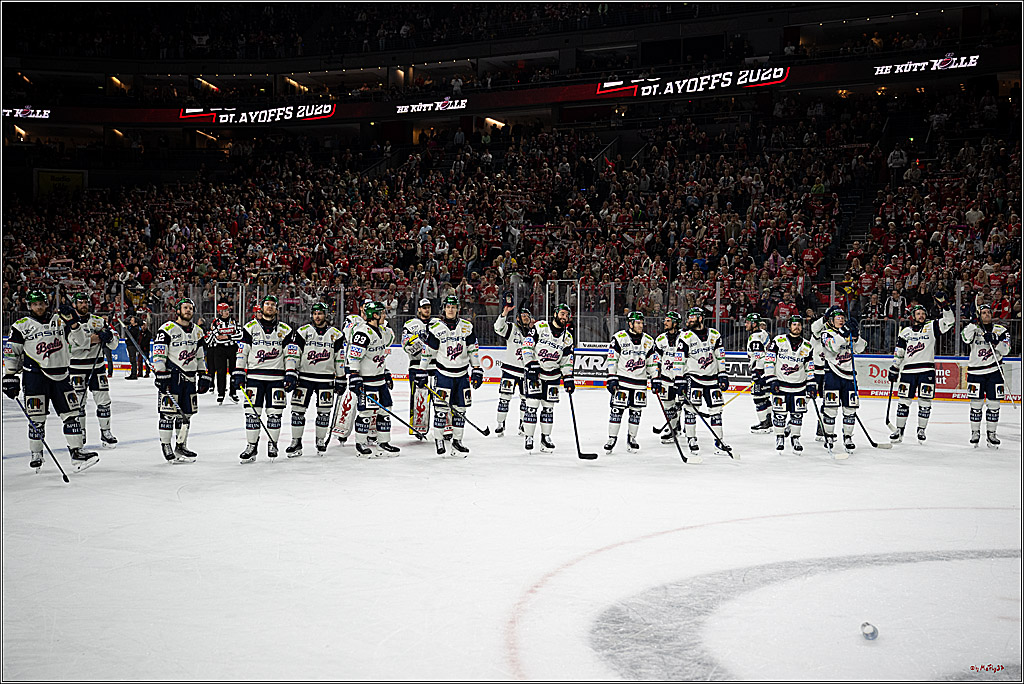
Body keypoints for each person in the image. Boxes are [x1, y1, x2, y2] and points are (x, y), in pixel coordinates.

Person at [2, 290, 98, 472]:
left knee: (71, 414)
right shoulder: (21, 325)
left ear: (46, 304)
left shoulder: (61, 320)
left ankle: (76, 452)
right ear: (29, 306)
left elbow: (82, 342)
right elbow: (12, 352)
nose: (38, 307)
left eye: (41, 303)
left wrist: (74, 323)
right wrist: (9, 375)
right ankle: (36, 453)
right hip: (35, 376)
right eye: (35, 304)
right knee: (36, 418)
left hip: (62, 376)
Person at [419, 295, 483, 456]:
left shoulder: (467, 327)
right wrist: (422, 370)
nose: (451, 309)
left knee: (460, 410)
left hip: (462, 375)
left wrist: (476, 368)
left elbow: (472, 350)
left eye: (454, 307)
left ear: (457, 309)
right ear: (444, 309)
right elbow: (428, 352)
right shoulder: (436, 328)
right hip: (443, 375)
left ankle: (457, 441)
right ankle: (439, 440)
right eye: (448, 307)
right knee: (441, 410)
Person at [888, 292, 954, 443]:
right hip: (908, 372)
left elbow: (950, 321)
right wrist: (895, 367)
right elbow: (900, 351)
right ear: (913, 316)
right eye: (918, 314)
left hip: (926, 371)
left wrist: (945, 305)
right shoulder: (906, 332)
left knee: (925, 402)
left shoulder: (932, 327)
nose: (921, 316)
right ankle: (900, 430)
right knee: (903, 401)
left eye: (923, 313)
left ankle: (921, 429)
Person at [233, 295, 293, 462]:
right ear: (261, 307)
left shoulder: (285, 330)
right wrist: (239, 372)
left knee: (275, 414)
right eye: (267, 304)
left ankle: (272, 443)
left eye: (273, 305)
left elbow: (290, 355)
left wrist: (290, 372)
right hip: (254, 377)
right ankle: (251, 446)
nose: (270, 307)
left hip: (276, 378)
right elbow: (242, 351)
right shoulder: (250, 327)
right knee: (252, 414)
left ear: (276, 309)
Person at [153, 297, 212, 463]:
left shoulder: (198, 332)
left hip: (190, 378)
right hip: (172, 377)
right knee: (167, 414)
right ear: (178, 311)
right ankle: (166, 446)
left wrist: (204, 374)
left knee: (186, 414)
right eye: (185, 308)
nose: (188, 311)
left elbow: (200, 357)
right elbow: (158, 354)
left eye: (190, 308)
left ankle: (181, 445)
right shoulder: (167, 329)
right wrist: (160, 373)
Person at [283, 303, 346, 458]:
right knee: (297, 412)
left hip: (326, 379)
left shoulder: (336, 334)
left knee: (324, 413)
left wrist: (341, 377)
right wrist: (291, 372)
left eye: (320, 313)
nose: (317, 316)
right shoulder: (303, 332)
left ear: (326, 315)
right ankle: (296, 441)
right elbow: (294, 353)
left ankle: (320, 440)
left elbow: (340, 359)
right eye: (315, 313)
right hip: (304, 378)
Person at [672, 307, 726, 460]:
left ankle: (719, 440)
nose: (688, 320)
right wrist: (679, 378)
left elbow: (720, 356)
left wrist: (722, 374)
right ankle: (691, 439)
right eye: (688, 317)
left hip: (712, 379)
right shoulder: (685, 336)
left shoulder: (715, 335)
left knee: (716, 410)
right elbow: (679, 359)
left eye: (692, 317)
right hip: (693, 378)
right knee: (691, 410)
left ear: (700, 318)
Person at [520, 303, 575, 453]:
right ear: (555, 314)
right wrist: (530, 363)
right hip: (535, 372)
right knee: (531, 405)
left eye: (566, 315)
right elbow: (527, 346)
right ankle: (529, 436)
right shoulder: (540, 327)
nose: (564, 317)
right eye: (562, 314)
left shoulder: (568, 337)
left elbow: (566, 360)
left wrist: (568, 377)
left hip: (553, 375)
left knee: (548, 408)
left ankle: (546, 437)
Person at [68, 292, 119, 448]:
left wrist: (109, 337)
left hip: (97, 367)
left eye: (85, 302)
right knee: (78, 404)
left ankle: (106, 431)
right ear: (74, 304)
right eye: (80, 302)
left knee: (104, 402)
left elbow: (114, 344)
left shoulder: (98, 321)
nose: (84, 305)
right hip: (76, 368)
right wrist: (94, 339)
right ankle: (81, 432)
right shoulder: (68, 322)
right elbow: (72, 344)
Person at [348, 302, 399, 457]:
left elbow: (380, 356)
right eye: (382, 313)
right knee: (366, 413)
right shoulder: (362, 333)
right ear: (375, 315)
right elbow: (354, 357)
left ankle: (383, 442)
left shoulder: (383, 332)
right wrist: (355, 376)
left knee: (386, 409)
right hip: (367, 381)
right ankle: (360, 443)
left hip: (380, 380)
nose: (385, 315)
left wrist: (386, 372)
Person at [603, 311, 659, 454]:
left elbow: (652, 363)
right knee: (616, 411)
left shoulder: (648, 340)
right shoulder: (619, 338)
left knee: (636, 412)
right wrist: (611, 377)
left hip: (640, 383)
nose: (641, 325)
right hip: (622, 381)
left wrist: (655, 378)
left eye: (642, 323)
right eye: (638, 323)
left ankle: (632, 438)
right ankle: (612, 438)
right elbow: (612, 359)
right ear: (630, 323)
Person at [960, 303, 1011, 448]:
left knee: (994, 405)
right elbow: (964, 338)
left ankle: (991, 434)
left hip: (994, 371)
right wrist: (972, 322)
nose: (987, 314)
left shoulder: (1001, 330)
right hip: (976, 372)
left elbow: (1006, 349)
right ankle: (975, 432)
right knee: (976, 405)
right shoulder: (974, 329)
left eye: (988, 312)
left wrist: (995, 340)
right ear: (979, 315)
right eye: (983, 313)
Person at [819, 306, 867, 457]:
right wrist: (843, 333)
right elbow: (833, 347)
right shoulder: (826, 333)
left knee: (850, 409)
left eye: (842, 318)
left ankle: (848, 437)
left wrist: (856, 335)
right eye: (838, 318)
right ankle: (829, 436)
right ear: (831, 321)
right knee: (831, 409)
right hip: (832, 374)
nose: (841, 320)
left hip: (850, 376)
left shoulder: (848, 334)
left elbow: (861, 348)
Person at [764, 315, 814, 452]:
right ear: (789, 326)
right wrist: (771, 379)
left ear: (802, 327)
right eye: (794, 324)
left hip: (799, 386)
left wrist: (811, 383)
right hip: (781, 385)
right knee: (780, 414)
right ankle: (779, 437)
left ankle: (796, 437)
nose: (796, 327)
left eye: (799, 324)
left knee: (797, 414)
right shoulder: (778, 341)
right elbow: (769, 361)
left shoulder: (807, 345)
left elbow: (809, 366)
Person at [335, 299, 373, 444]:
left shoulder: (377, 321)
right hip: (352, 365)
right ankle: (342, 430)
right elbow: (347, 334)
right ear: (362, 307)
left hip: (370, 367)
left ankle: (371, 431)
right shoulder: (353, 319)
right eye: (365, 306)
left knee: (369, 402)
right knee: (349, 399)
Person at [493, 298, 533, 437]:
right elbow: (498, 328)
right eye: (523, 316)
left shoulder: (534, 333)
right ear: (517, 318)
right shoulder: (511, 328)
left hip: (526, 372)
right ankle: (500, 423)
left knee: (525, 400)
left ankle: (522, 423)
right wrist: (504, 314)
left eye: (527, 316)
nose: (526, 318)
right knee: (504, 398)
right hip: (510, 370)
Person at [401, 298, 439, 436]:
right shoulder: (410, 324)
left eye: (428, 307)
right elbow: (405, 345)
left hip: (436, 366)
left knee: (440, 398)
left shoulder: (438, 324)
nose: (426, 310)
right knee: (418, 398)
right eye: (424, 307)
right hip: (416, 366)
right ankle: (418, 427)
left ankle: (445, 426)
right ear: (419, 309)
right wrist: (421, 345)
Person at [654, 311, 683, 444]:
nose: (665, 323)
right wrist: (656, 376)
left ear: (675, 323)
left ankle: (680, 426)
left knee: (682, 403)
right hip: (666, 377)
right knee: (668, 405)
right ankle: (673, 428)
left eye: (668, 320)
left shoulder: (685, 337)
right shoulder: (660, 339)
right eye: (665, 320)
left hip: (682, 377)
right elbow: (656, 360)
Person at [205, 301, 242, 404]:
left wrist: (227, 337)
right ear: (220, 312)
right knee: (220, 372)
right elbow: (217, 338)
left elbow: (240, 335)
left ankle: (233, 392)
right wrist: (231, 337)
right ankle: (221, 393)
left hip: (232, 348)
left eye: (227, 310)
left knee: (234, 371)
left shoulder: (234, 321)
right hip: (220, 349)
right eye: (224, 311)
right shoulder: (215, 322)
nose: (227, 312)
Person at [745, 312, 772, 433]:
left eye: (748, 322)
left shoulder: (755, 337)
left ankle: (764, 424)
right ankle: (769, 422)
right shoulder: (763, 333)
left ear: (754, 324)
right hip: (768, 370)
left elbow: (759, 356)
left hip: (761, 370)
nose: (746, 324)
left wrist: (757, 372)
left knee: (758, 397)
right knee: (765, 397)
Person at [808, 309, 826, 441]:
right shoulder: (816, 335)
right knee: (804, 400)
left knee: (828, 403)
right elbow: (815, 327)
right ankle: (792, 425)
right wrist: (825, 318)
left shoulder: (833, 336)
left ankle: (822, 428)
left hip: (828, 373)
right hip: (814, 373)